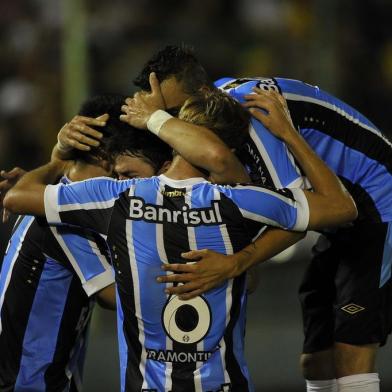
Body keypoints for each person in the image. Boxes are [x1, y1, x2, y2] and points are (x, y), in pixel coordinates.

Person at [3, 89, 356, 392]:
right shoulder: (241, 202)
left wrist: (58, 159)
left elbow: (17, 197)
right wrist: (290, 134)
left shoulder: (117, 199)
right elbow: (341, 207)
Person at [123, 45, 392, 392]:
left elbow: (296, 217)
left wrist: (237, 263)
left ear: (203, 95)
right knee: (316, 358)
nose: (177, 123)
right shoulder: (216, 112)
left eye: (175, 111)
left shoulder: (251, 111)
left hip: (378, 205)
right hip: (340, 221)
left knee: (350, 347)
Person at [0, 94, 139, 392]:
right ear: (105, 156)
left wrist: (56, 162)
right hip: (30, 384)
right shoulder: (64, 220)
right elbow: (116, 297)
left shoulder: (50, 198)